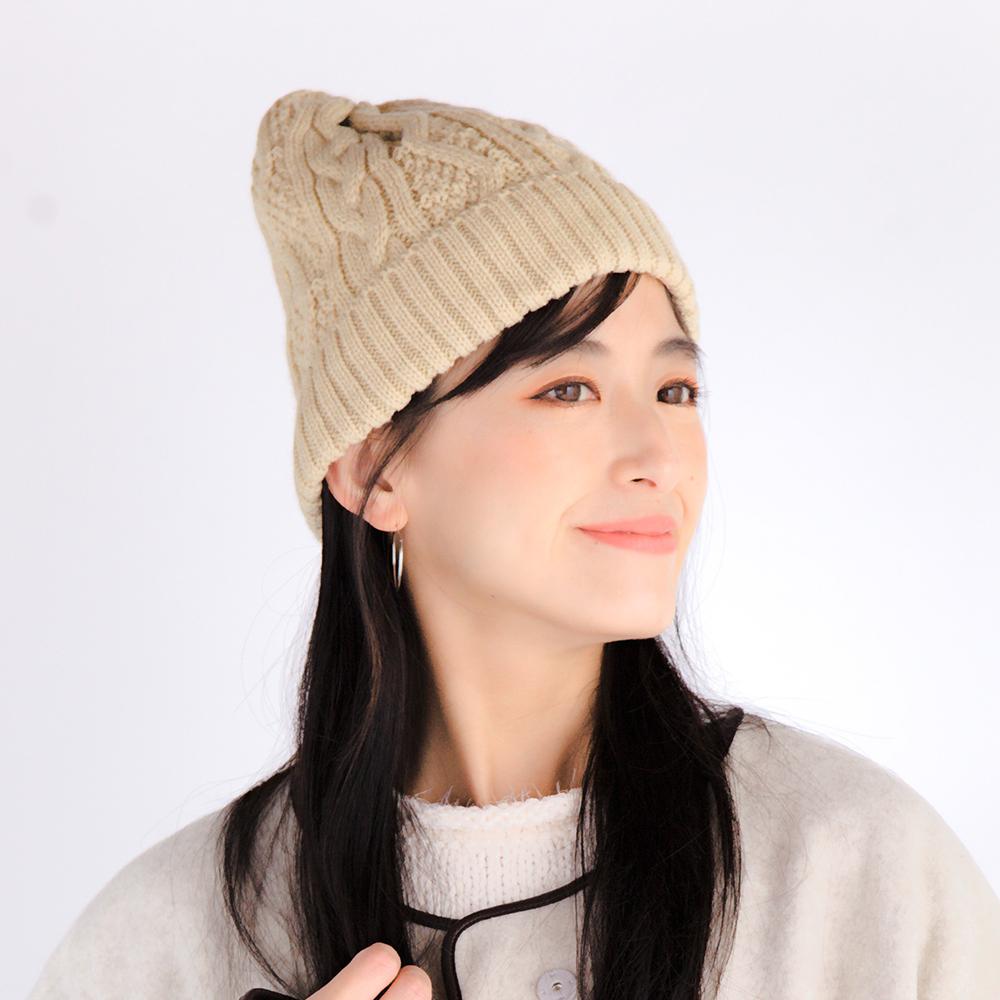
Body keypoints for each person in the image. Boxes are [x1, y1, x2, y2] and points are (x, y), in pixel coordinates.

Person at [28, 91, 1000, 1000]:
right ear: (373, 469)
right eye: (568, 389)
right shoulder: (162, 941)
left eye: (675, 391)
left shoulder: (860, 875)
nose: (658, 456)